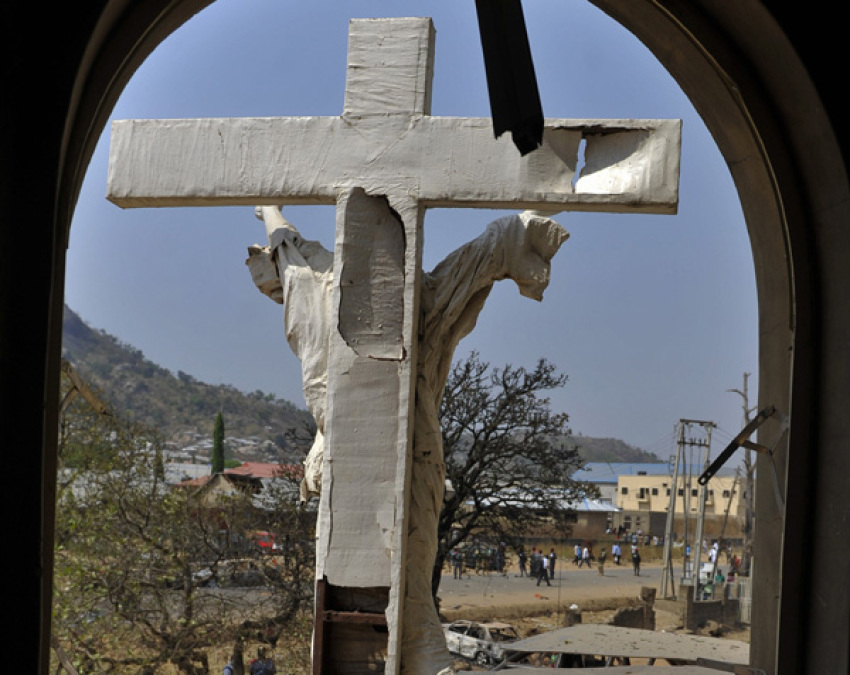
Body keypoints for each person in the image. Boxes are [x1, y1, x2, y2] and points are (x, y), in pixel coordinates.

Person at [248, 204, 568, 672]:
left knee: (409, 591)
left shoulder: (375, 296)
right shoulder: (337, 293)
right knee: (396, 594)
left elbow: (291, 263)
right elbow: (483, 254)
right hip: (361, 490)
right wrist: (270, 213)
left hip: (404, 470)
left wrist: (271, 213)